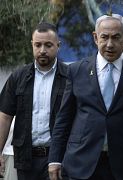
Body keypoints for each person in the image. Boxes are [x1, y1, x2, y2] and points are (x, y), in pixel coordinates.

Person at [48, 14, 123, 180]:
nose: (109, 44)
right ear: (95, 37)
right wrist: (55, 159)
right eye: (104, 37)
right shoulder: (77, 71)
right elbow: (63, 119)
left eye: (116, 37)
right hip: (81, 163)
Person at [0, 22, 68, 180]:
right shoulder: (18, 76)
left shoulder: (70, 76)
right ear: (32, 45)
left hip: (59, 157)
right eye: (38, 45)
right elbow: (4, 116)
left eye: (48, 45)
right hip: (25, 158)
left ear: (58, 45)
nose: (42, 50)